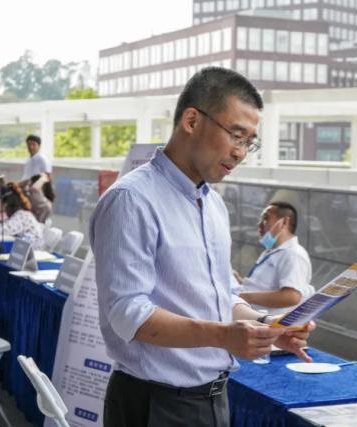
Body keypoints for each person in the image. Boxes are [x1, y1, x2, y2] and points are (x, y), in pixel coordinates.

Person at [89, 67, 313, 427]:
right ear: (192, 120)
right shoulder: (132, 200)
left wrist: (266, 325)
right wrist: (224, 335)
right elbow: (128, 312)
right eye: (235, 135)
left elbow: (221, 294)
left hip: (213, 396)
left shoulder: (213, 205)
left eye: (248, 142)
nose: (240, 152)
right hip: (154, 404)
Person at [236, 201, 315, 315]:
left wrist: (245, 297)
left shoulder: (293, 254)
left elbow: (291, 296)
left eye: (266, 218)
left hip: (266, 325)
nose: (260, 224)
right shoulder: (272, 251)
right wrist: (239, 281)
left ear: (284, 222)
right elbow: (264, 287)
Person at [0, 182, 44, 248]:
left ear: (5, 203)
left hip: (32, 253)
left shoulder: (22, 216)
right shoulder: (20, 214)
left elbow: (3, 231)